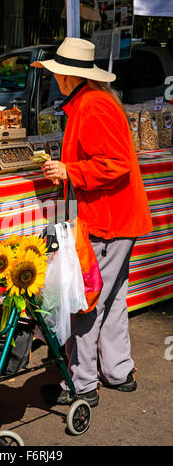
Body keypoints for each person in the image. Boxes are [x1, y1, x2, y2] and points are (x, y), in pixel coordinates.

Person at [31, 37, 153, 407]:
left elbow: (114, 164)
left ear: (68, 76)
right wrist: (69, 170)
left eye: (57, 74)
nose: (55, 79)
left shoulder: (93, 106)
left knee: (88, 299)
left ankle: (80, 384)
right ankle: (117, 371)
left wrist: (71, 170)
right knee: (111, 297)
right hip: (117, 216)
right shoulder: (93, 102)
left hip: (108, 218)